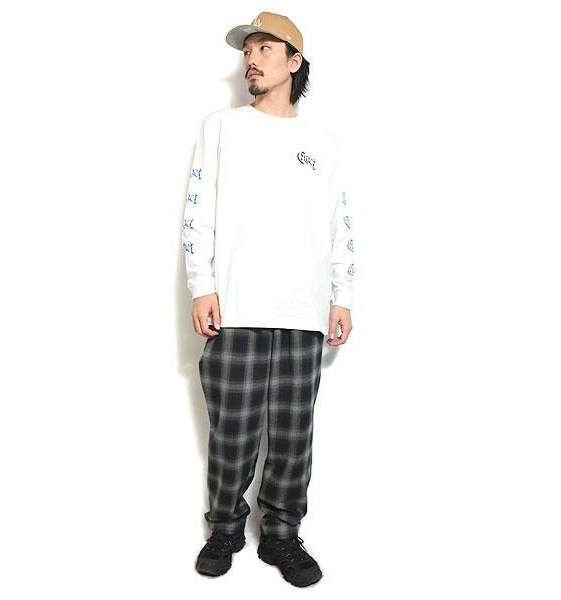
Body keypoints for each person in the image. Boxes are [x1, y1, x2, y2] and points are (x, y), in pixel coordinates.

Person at [181, 11, 354, 588]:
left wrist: (342, 295)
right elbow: (198, 209)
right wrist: (201, 284)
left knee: (294, 434)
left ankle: (281, 532)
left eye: (264, 49)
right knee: (232, 431)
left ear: (294, 61)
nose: (251, 60)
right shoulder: (221, 127)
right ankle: (225, 528)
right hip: (236, 306)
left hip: (304, 311)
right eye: (246, 51)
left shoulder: (321, 142)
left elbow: (338, 223)